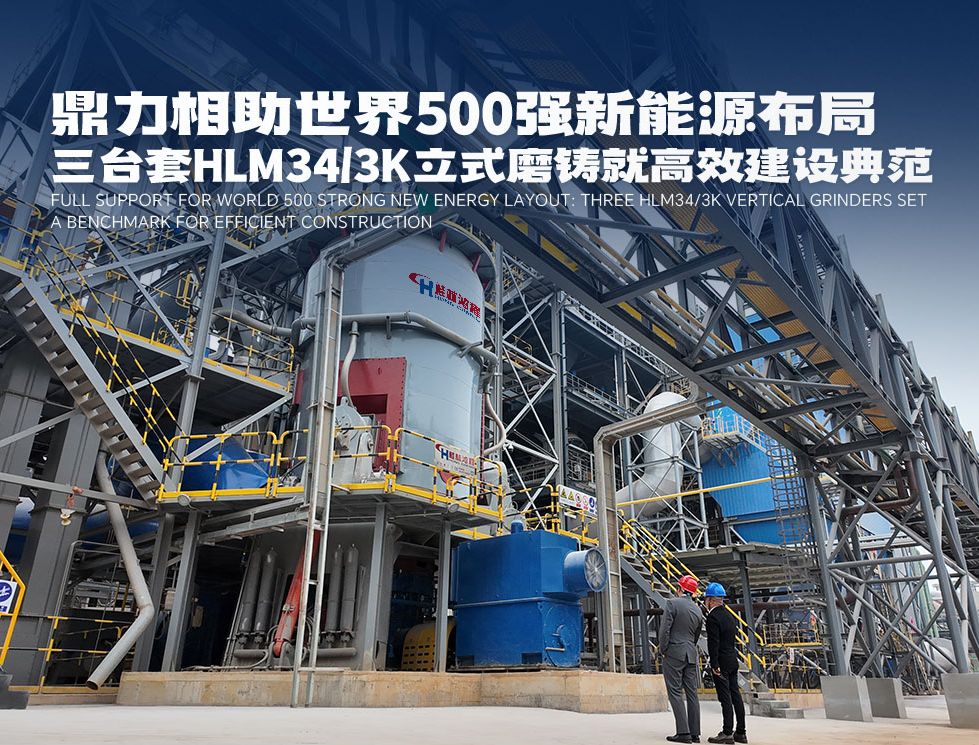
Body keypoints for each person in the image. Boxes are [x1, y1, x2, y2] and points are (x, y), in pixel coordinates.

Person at [660, 574, 703, 744]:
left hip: (674, 652)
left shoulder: (672, 603)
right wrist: (689, 647)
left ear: (679, 589)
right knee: (692, 693)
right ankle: (695, 733)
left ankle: (683, 732)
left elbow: (665, 629)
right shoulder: (698, 610)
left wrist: (663, 649)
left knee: (675, 691)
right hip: (690, 653)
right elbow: (696, 634)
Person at [704, 582, 747, 744]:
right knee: (736, 695)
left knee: (725, 698)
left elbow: (713, 643)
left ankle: (727, 732)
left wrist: (715, 665)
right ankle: (741, 732)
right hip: (732, 660)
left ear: (710, 600)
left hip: (721, 662)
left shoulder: (713, 617)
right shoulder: (729, 615)